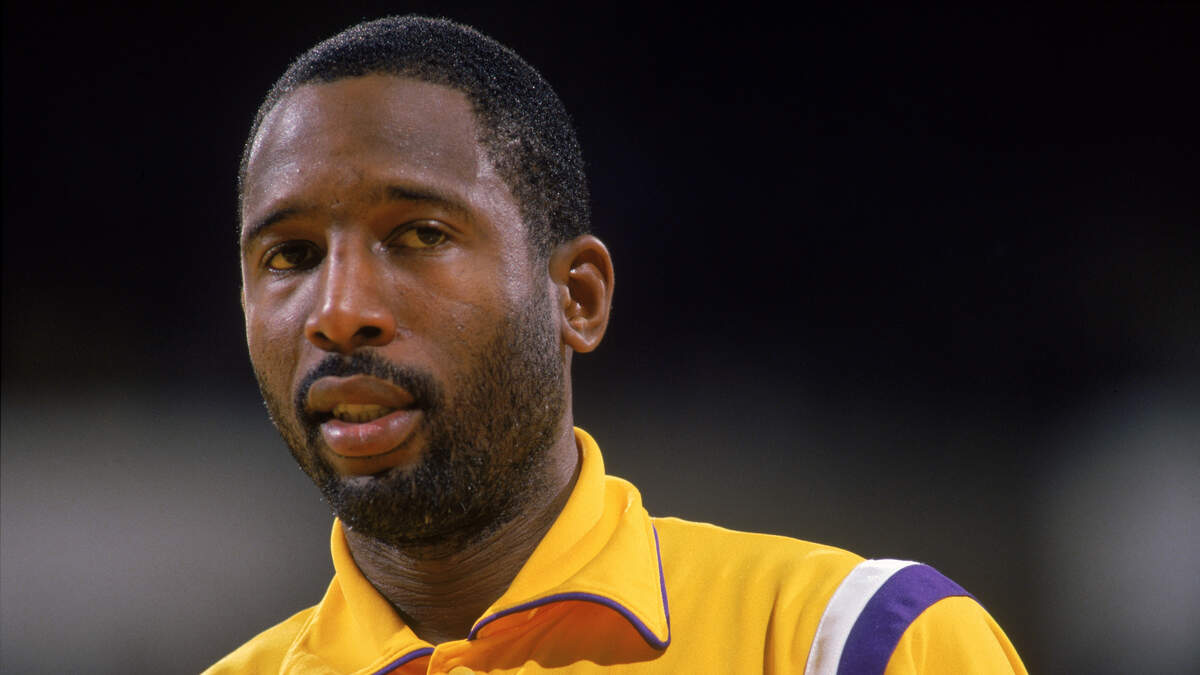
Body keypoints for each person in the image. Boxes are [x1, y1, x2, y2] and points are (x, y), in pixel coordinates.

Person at [207, 15, 1027, 674]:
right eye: (291, 255)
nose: (340, 311)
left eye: (419, 234)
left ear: (579, 296)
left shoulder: (858, 643)